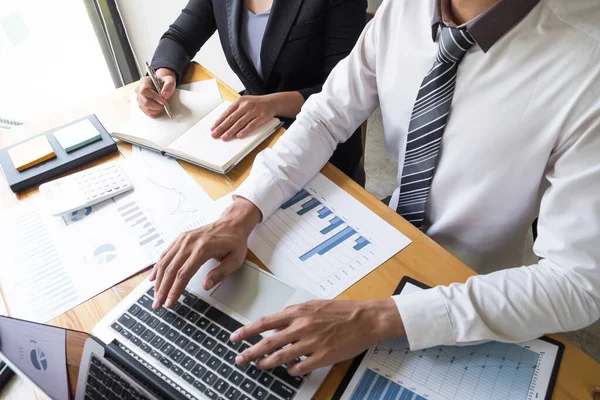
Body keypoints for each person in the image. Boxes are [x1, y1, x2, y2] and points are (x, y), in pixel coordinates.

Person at [150, 0, 600, 377]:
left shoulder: (586, 63)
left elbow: (580, 283)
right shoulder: (403, 10)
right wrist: (242, 210)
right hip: (381, 243)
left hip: (473, 285)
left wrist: (379, 317)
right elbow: (326, 117)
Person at [136, 0, 367, 180]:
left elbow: (343, 91)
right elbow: (180, 37)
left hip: (323, 146)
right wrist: (163, 73)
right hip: (252, 138)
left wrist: (272, 104)